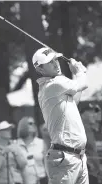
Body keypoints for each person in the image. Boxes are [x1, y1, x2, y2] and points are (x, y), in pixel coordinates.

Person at [32, 47, 89, 184]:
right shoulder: (54, 84)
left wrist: (76, 75)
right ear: (40, 69)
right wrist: (80, 71)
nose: (56, 63)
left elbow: (74, 100)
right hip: (65, 158)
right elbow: (84, 83)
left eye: (55, 59)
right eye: (50, 62)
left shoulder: (56, 86)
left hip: (78, 157)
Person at [17, 116, 48, 184]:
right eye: (30, 123)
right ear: (23, 125)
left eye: (34, 123)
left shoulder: (41, 142)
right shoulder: (16, 144)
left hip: (40, 180)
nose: (33, 125)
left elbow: (47, 164)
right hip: (22, 181)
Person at [81, 103, 102, 184]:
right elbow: (87, 151)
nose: (94, 115)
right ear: (82, 114)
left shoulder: (89, 128)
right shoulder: (81, 129)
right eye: (91, 112)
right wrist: (96, 169)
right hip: (88, 173)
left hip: (93, 172)